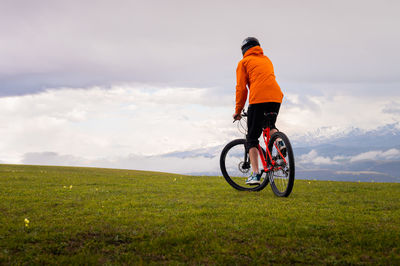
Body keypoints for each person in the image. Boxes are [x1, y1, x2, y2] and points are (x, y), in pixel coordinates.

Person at [232, 37, 284, 185]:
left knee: (252, 139)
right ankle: (279, 142)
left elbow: (241, 89)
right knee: (269, 126)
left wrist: (238, 110)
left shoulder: (243, 63)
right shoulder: (266, 59)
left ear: (244, 50)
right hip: (276, 97)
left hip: (258, 99)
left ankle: (255, 175)